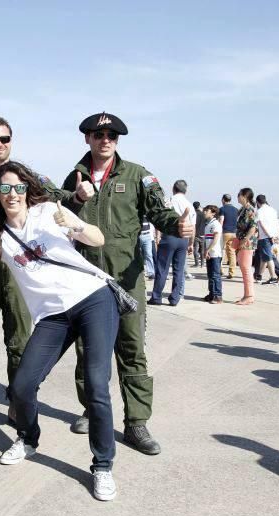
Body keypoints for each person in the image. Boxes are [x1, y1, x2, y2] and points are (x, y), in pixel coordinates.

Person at [0, 161, 120, 501]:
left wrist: (75, 225)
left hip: (92, 300)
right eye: (4, 188)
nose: (12, 194)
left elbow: (98, 240)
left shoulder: (48, 212)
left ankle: (102, 466)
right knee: (22, 386)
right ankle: (28, 438)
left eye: (18, 188)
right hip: (53, 317)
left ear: (27, 190)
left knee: (97, 385)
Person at [60, 112, 192, 454]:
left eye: (112, 136)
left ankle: (136, 423)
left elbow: (159, 210)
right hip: (86, 279)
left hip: (127, 278)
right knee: (89, 350)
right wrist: (77, 198)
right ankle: (92, 408)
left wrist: (177, 225)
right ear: (87, 138)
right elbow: (57, 213)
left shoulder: (137, 175)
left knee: (132, 349)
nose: (106, 140)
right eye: (99, 134)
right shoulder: (74, 177)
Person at [0, 117, 88, 436]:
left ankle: (17, 401)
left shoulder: (29, 177)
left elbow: (60, 200)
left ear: (11, 141)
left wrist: (78, 197)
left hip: (21, 272)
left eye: (4, 139)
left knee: (21, 342)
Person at [150, 179, 195, 307]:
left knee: (162, 268)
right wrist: (191, 242)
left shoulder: (168, 200)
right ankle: (175, 298)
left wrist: (158, 236)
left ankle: (157, 296)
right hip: (184, 238)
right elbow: (193, 226)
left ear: (173, 189)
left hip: (169, 236)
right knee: (179, 270)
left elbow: (161, 218)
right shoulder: (189, 204)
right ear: (185, 190)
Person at [255, 194, 279, 285]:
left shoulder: (259, 211)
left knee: (268, 257)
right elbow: (276, 223)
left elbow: (261, 224)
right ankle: (259, 275)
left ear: (257, 202)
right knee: (265, 257)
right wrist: (276, 235)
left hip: (265, 237)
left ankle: (273, 277)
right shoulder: (273, 210)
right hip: (274, 235)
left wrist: (269, 235)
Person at [234, 187, 258, 305]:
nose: (237, 197)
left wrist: (245, 239)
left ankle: (249, 295)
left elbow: (253, 227)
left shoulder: (250, 210)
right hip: (241, 241)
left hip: (246, 243)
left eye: (239, 194)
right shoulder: (242, 210)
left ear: (245, 196)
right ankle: (247, 294)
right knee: (244, 268)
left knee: (246, 268)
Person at [202, 205, 223, 303]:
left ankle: (218, 296)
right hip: (209, 253)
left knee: (215, 275)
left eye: (207, 211)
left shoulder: (216, 224)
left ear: (213, 213)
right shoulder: (207, 224)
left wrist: (208, 250)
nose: (205, 212)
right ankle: (211, 294)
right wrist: (206, 250)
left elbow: (216, 239)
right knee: (210, 275)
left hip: (215, 253)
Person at [218, 194, 239, 278]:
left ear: (223, 200)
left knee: (220, 251)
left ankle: (220, 270)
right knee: (232, 253)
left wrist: (218, 231)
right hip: (234, 233)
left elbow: (221, 220)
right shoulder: (236, 210)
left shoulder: (222, 209)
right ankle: (232, 272)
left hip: (224, 232)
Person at [192, 201, 205, 267]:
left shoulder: (193, 214)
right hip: (203, 233)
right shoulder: (203, 214)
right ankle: (202, 263)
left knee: (196, 249)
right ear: (199, 206)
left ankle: (197, 263)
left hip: (196, 234)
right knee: (202, 249)